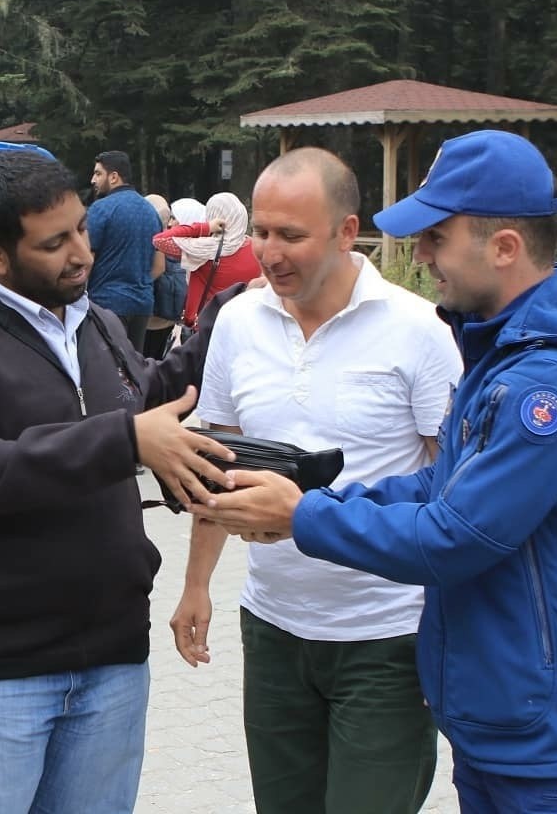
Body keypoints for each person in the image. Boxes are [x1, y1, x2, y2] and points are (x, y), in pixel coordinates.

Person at [192, 130, 557, 814]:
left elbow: (457, 535)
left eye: (436, 239)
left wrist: (302, 516)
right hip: (497, 713)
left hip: (536, 729)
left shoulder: (543, 381)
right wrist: (313, 503)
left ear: (505, 247)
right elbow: (436, 486)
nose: (420, 257)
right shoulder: (500, 352)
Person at [0, 150, 244, 814]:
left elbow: (154, 393)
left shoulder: (97, 323)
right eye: (54, 243)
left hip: (111, 656)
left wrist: (235, 308)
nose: (81, 252)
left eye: (81, 228)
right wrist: (125, 438)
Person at [171, 147, 463, 814]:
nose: (271, 253)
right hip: (273, 630)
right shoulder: (239, 322)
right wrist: (195, 586)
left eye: (291, 236)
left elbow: (455, 494)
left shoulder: (418, 331)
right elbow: (222, 464)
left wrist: (451, 633)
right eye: (263, 232)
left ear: (344, 230)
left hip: (387, 639)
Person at [86, 149, 164, 352]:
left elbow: (86, 260)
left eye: (98, 173)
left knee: (107, 370)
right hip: (141, 304)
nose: (92, 179)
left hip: (105, 304)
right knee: (134, 368)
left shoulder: (100, 209)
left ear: (114, 177)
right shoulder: (151, 212)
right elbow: (159, 266)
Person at [153, 191, 261, 330]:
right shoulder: (256, 248)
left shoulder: (201, 251)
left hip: (207, 329)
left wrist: (205, 227)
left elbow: (159, 241)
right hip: (244, 326)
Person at [143, 193, 187, 358]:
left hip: (149, 319)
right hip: (168, 317)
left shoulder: (155, 241)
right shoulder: (175, 242)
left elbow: (159, 268)